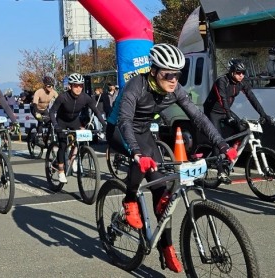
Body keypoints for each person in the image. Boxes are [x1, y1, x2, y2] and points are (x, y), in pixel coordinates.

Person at [106, 43, 237, 273]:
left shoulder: (175, 90)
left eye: (178, 74)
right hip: (119, 129)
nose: (174, 79)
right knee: (144, 158)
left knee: (164, 193)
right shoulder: (136, 86)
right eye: (168, 74)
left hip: (144, 131)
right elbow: (125, 121)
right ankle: (129, 199)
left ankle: (166, 247)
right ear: (154, 71)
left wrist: (222, 145)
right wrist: (136, 152)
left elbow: (199, 118)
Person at [203, 58, 272, 183]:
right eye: (238, 73)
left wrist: (264, 114)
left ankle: (228, 154)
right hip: (213, 111)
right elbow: (222, 98)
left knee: (242, 129)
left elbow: (252, 98)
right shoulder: (222, 81)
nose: (241, 76)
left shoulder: (241, 83)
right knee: (217, 139)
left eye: (243, 73)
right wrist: (228, 114)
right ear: (232, 72)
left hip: (226, 111)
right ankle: (220, 172)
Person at [49, 73, 106, 183]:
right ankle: (60, 171)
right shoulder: (63, 97)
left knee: (81, 139)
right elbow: (52, 112)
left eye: (81, 85)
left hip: (74, 121)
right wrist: (56, 125)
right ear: (70, 86)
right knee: (63, 145)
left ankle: (72, 158)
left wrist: (104, 124)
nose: (79, 88)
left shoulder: (85, 97)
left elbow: (96, 111)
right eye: (76, 85)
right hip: (62, 122)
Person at [31, 76, 58, 142]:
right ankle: (39, 136)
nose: (51, 87)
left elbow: (59, 100)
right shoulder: (39, 92)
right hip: (35, 108)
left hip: (44, 109)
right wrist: (37, 112)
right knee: (40, 120)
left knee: (49, 122)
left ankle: (46, 136)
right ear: (45, 85)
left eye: (52, 86)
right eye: (49, 86)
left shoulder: (53, 92)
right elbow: (35, 103)